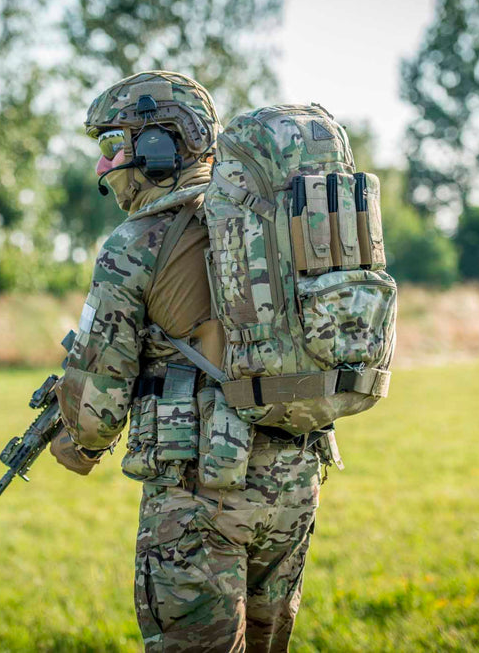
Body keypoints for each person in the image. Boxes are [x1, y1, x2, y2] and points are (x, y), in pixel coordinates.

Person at [49, 71, 325, 652]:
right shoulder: (272, 222)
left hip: (198, 496)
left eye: (113, 146)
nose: (104, 167)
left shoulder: (136, 243)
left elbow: (98, 409)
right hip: (293, 483)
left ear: (157, 147)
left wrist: (76, 444)